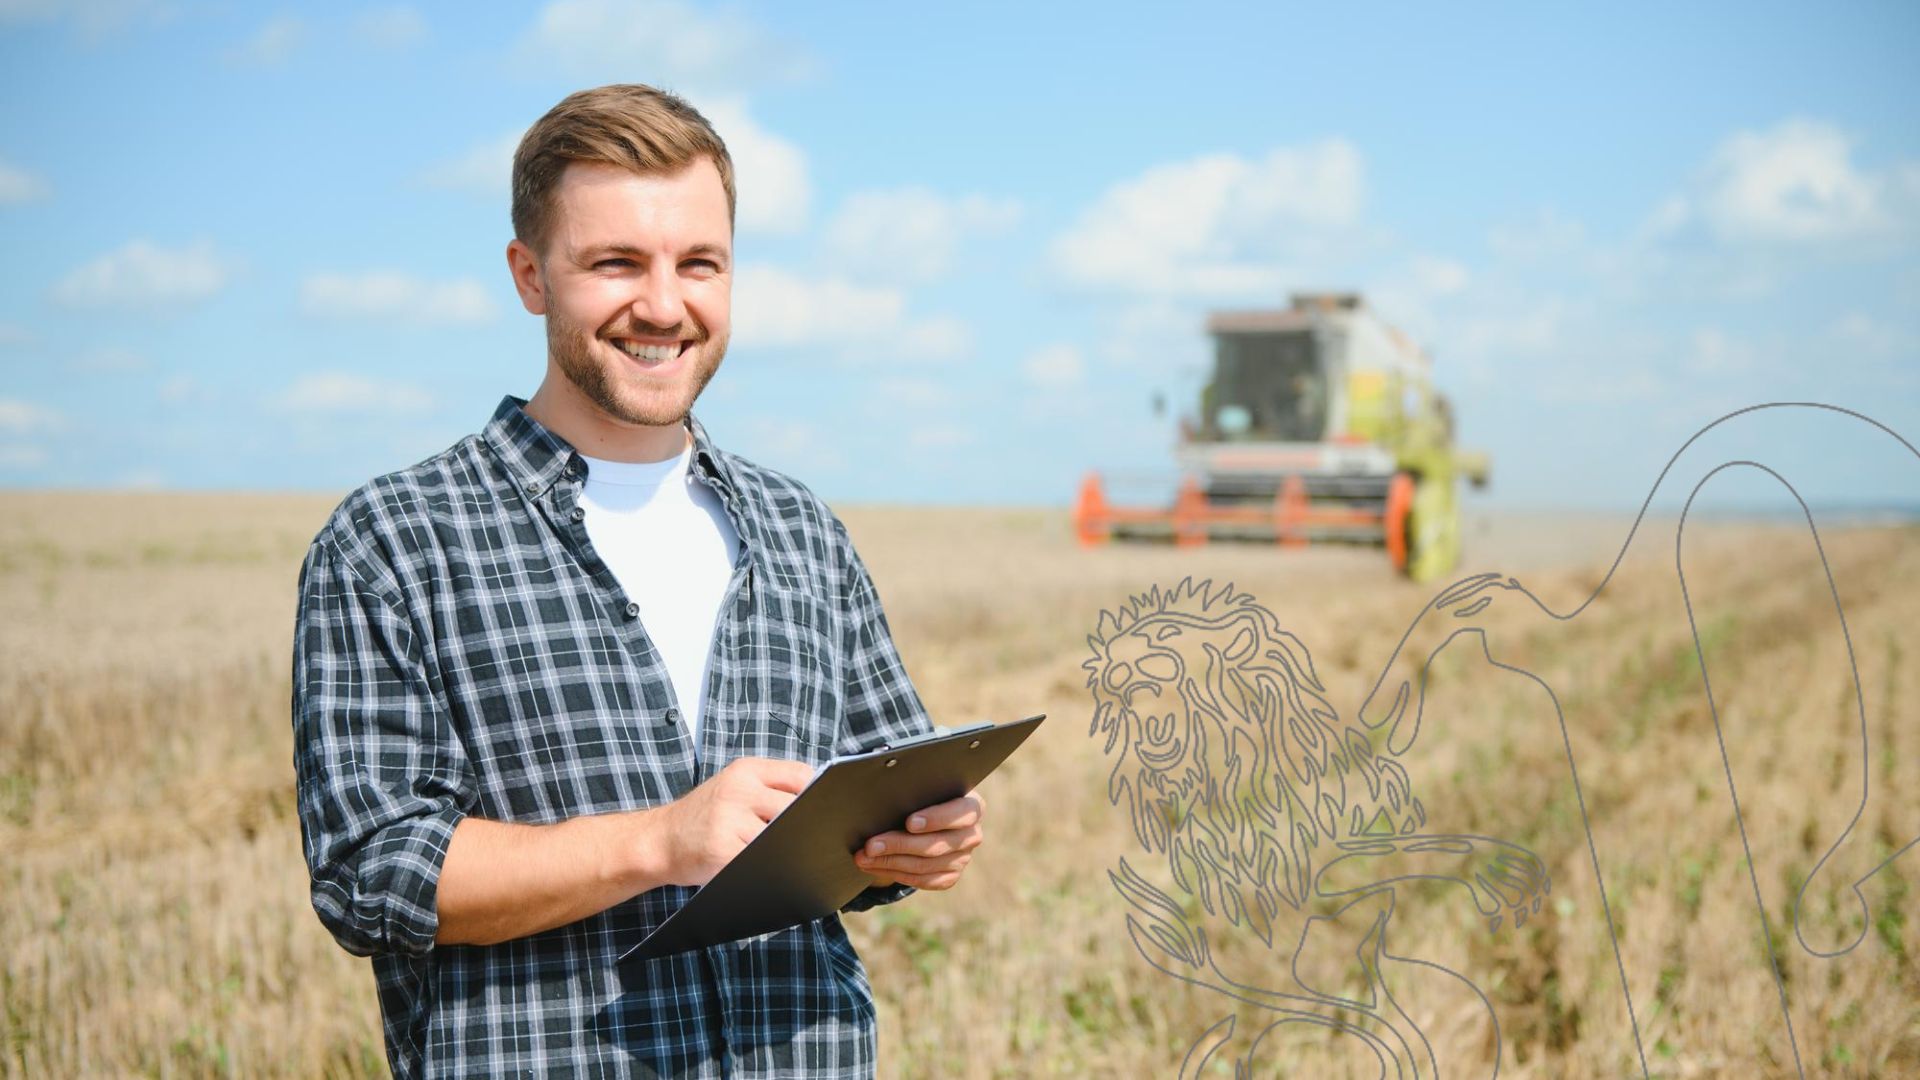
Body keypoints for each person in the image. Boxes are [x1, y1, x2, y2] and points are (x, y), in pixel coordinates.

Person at [290, 83, 986, 1079]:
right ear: (530, 276)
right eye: (615, 263)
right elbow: (374, 878)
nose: (664, 305)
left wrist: (919, 842)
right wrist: (661, 841)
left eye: (698, 263)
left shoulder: (803, 532)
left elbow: (871, 801)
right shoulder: (394, 542)